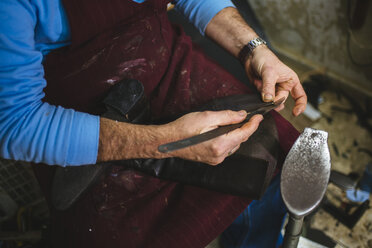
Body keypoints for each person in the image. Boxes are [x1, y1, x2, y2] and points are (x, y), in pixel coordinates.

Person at [0, 0, 307, 247]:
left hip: (164, 61)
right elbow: (16, 123)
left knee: (276, 152)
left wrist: (253, 48)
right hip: (77, 115)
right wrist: (165, 144)